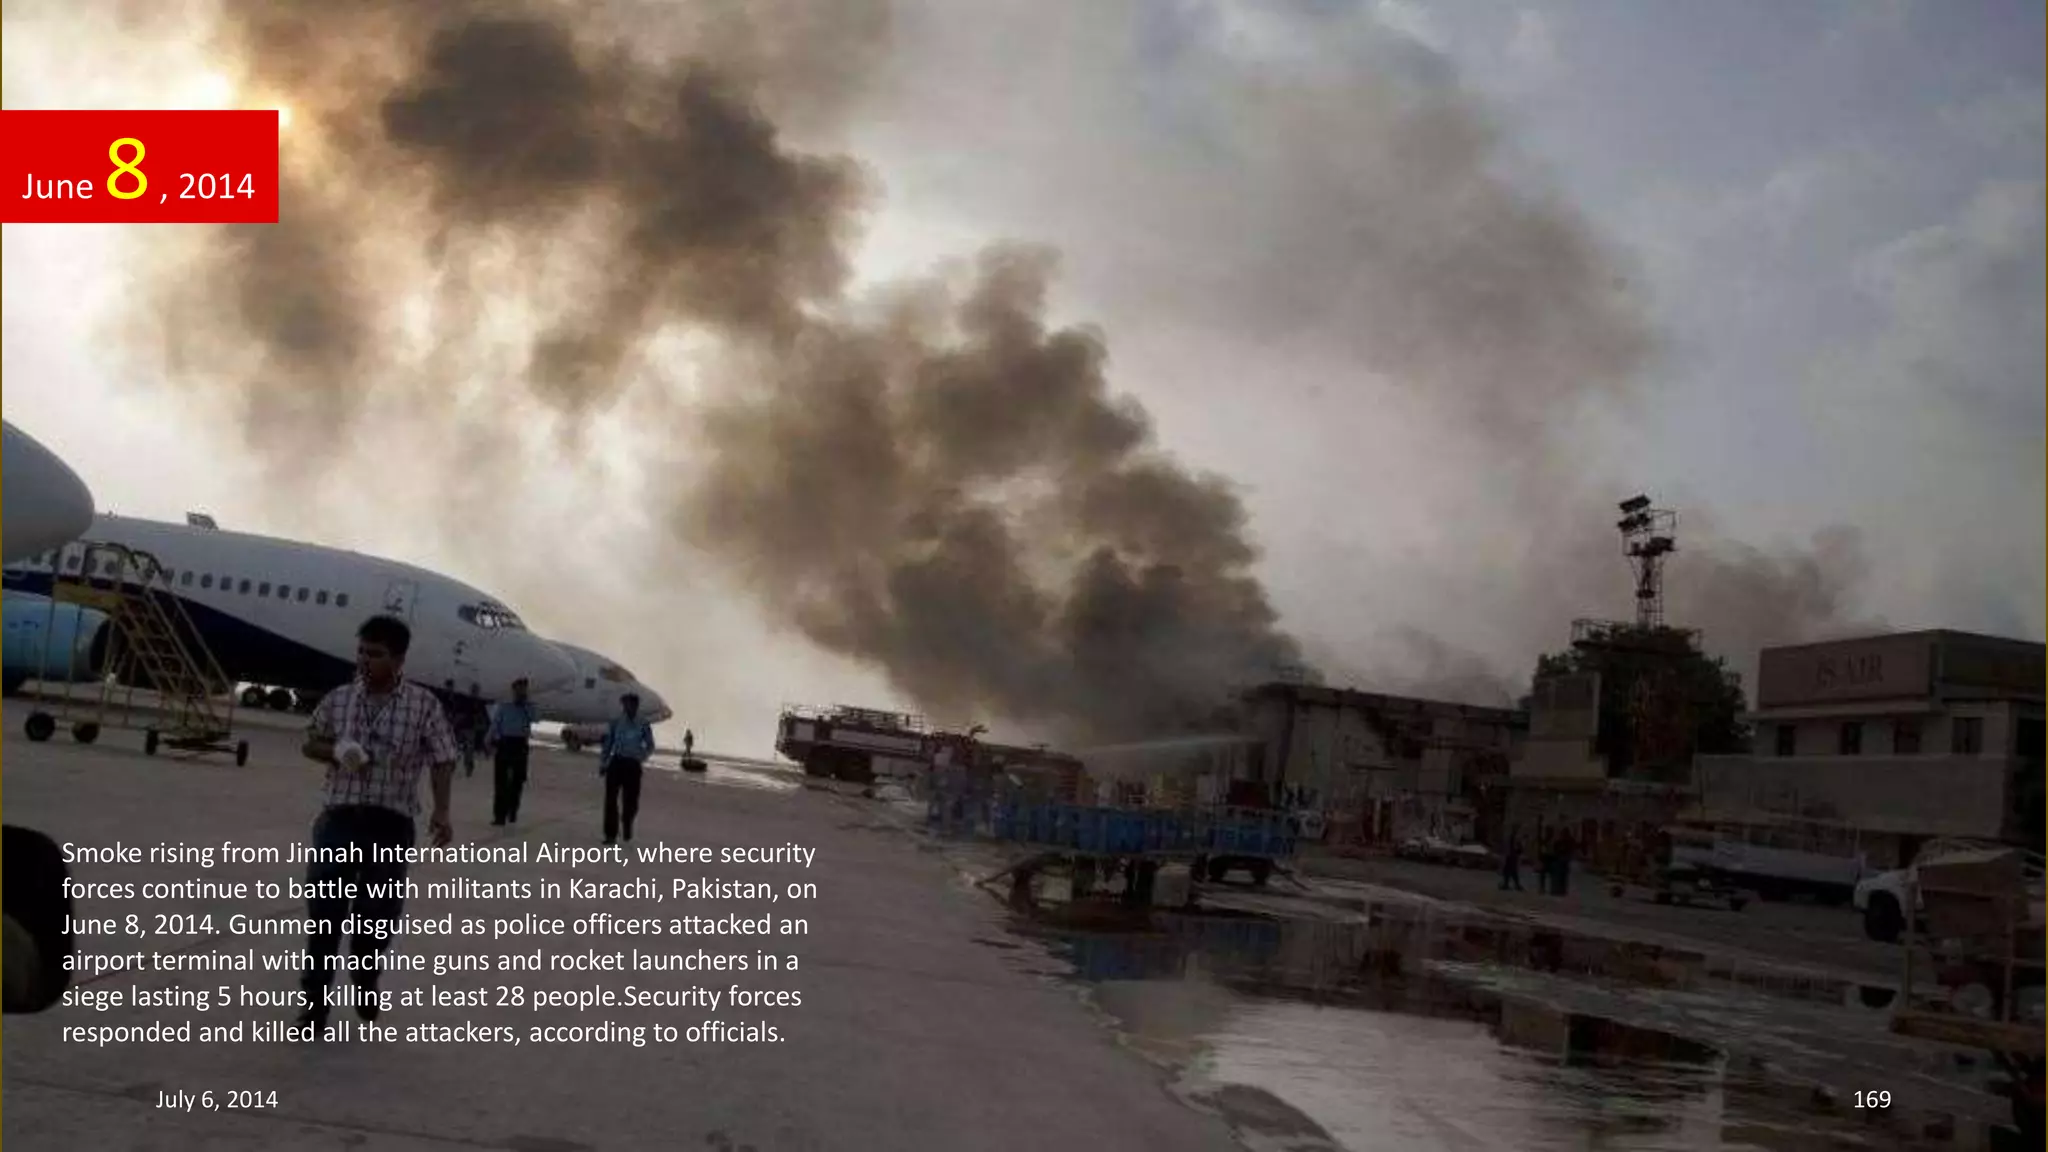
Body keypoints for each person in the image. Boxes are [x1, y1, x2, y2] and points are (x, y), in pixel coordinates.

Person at [295, 614, 458, 1037]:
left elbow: (443, 757)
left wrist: (442, 810)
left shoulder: (423, 706)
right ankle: (314, 1008)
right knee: (324, 918)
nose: (366, 661)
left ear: (399, 659)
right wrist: (337, 750)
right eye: (362, 651)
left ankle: (366, 977)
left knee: (376, 918)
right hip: (339, 819)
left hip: (391, 824)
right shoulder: (339, 699)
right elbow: (309, 740)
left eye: (376, 654)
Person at [599, 693, 655, 845]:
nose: (627, 707)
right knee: (610, 799)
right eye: (625, 704)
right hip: (616, 762)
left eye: (630, 704)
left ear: (636, 706)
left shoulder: (643, 723)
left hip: (633, 765)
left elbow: (650, 745)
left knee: (631, 802)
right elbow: (608, 744)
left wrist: (640, 757)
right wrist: (603, 763)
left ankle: (627, 821)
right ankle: (610, 834)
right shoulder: (616, 722)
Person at [486, 677, 539, 826]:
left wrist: (526, 705)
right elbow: (496, 722)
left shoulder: (529, 706)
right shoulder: (505, 706)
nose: (520, 692)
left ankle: (513, 810)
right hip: (505, 743)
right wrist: (488, 739)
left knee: (518, 781)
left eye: (524, 689)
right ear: (513, 690)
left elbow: (536, 719)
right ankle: (499, 816)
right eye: (518, 689)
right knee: (501, 781)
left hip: (520, 744)